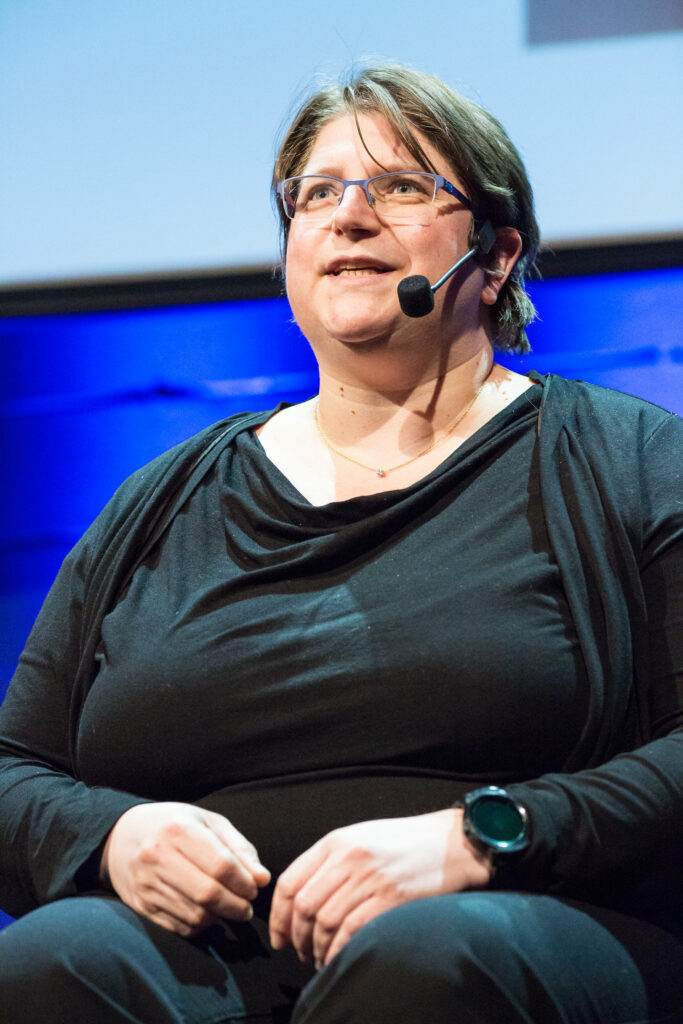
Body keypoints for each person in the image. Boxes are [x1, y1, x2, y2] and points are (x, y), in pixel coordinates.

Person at [0, 62, 681, 1024]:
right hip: (200, 961)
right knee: (51, 962)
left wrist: (490, 836)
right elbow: (14, 769)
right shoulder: (161, 500)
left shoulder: (628, 460)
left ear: (494, 258)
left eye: (400, 187)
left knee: (426, 962)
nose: (348, 217)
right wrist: (111, 838)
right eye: (316, 194)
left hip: (518, 926)